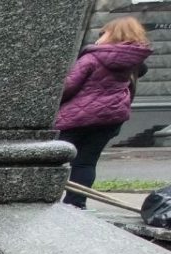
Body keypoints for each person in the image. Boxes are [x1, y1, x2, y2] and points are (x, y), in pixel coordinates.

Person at [56, 17, 152, 209]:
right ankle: (76, 204)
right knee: (86, 163)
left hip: (77, 117)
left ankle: (40, 199)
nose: (100, 36)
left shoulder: (93, 57)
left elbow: (69, 87)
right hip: (110, 119)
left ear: (112, 34)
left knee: (54, 158)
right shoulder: (135, 63)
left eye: (103, 32)